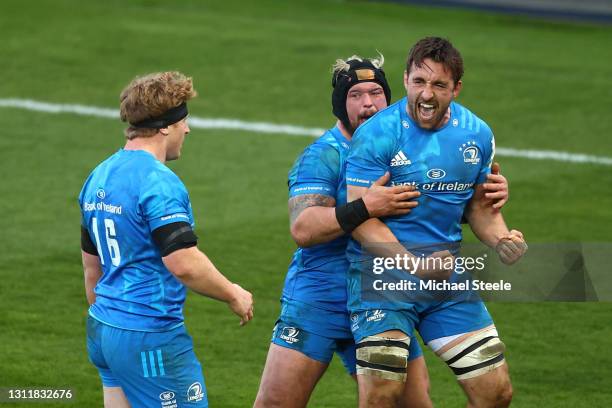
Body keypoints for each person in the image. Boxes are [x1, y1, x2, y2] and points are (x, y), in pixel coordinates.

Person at [255, 54, 509, 408]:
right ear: (339, 104)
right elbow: (304, 228)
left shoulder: (404, 143)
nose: (368, 104)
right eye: (355, 95)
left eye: (376, 92)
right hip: (322, 298)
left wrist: (482, 201)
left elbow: (432, 207)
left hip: (388, 288)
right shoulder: (323, 156)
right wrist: (365, 206)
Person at [345, 37, 527, 408]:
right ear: (406, 79)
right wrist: (412, 264)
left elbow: (478, 207)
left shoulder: (476, 134)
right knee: (382, 394)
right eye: (419, 82)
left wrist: (501, 239)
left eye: (439, 85)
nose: (426, 95)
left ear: (456, 89)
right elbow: (359, 218)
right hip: (383, 275)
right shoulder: (377, 134)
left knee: (496, 393)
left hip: (446, 279)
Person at [79, 71, 254, 408]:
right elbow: (184, 263)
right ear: (165, 126)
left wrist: (114, 324)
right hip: (149, 334)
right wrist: (233, 293)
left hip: (103, 327)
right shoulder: (158, 182)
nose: (187, 129)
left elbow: (91, 266)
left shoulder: (98, 174)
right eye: (184, 121)